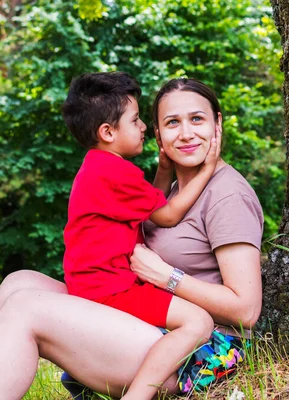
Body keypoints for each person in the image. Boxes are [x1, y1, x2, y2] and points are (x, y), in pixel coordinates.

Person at [0, 77, 263, 400]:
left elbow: (246, 311)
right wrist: (164, 173)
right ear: (158, 134)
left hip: (200, 353)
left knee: (26, 308)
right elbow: (159, 211)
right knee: (18, 285)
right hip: (149, 322)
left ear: (218, 123)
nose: (186, 133)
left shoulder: (226, 194)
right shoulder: (175, 190)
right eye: (172, 122)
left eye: (197, 119)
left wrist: (168, 277)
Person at [60, 71, 221, 400]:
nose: (145, 127)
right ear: (108, 132)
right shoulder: (117, 173)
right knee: (198, 322)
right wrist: (207, 169)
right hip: (110, 288)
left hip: (92, 282)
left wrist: (162, 171)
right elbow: (167, 214)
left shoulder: (98, 166)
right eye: (135, 121)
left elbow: (147, 207)